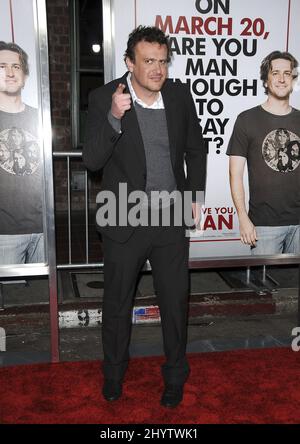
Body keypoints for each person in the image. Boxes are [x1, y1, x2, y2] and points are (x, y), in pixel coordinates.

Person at [83, 26, 206, 407]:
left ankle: (174, 376)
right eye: (149, 61)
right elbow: (92, 161)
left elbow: (196, 148)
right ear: (129, 63)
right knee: (118, 304)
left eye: (163, 61)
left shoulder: (179, 94)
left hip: (170, 217)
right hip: (123, 215)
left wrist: (195, 195)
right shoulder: (105, 97)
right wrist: (114, 119)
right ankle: (114, 374)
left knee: (174, 303)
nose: (157, 69)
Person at [227, 50, 300, 255]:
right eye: (275, 72)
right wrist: (243, 218)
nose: (282, 78)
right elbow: (235, 175)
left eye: (287, 73)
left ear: (293, 80)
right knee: (264, 286)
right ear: (266, 80)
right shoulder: (246, 120)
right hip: (264, 226)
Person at [0, 41, 44, 264]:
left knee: (44, 296)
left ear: (25, 76)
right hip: (4, 233)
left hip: (43, 229)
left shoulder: (40, 118)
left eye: (16, 67)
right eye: (2, 66)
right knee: (11, 297)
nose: (9, 72)